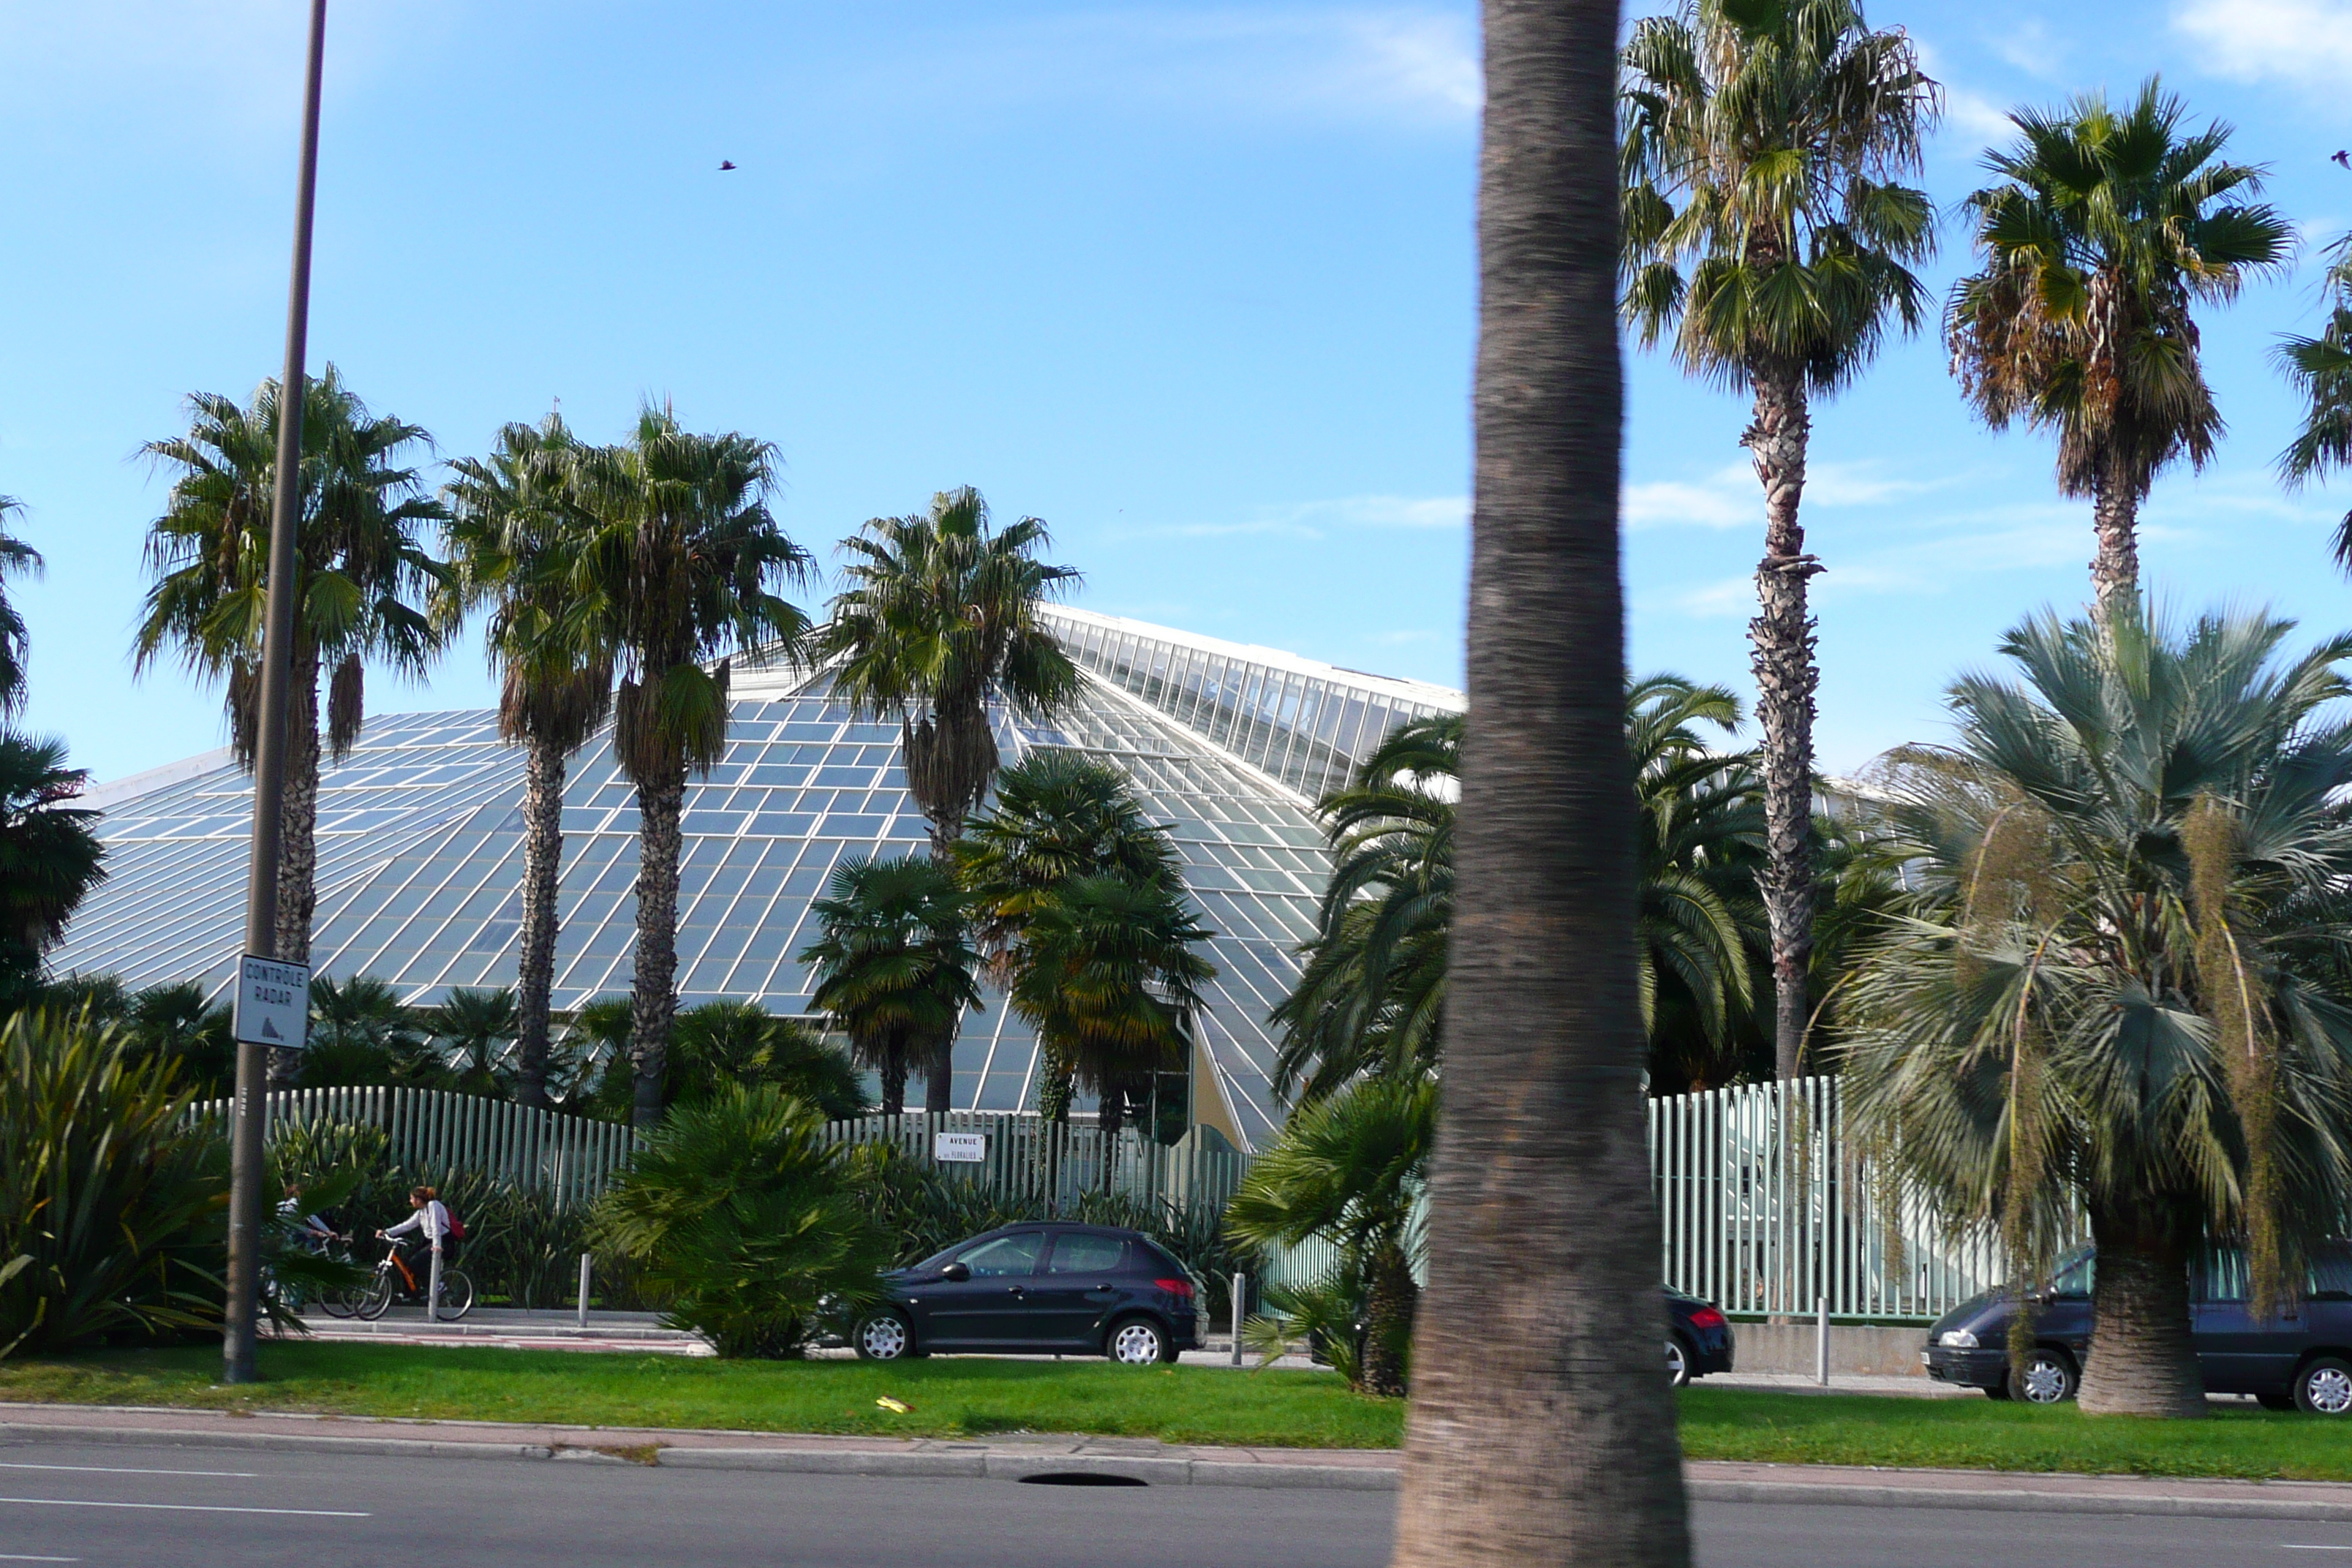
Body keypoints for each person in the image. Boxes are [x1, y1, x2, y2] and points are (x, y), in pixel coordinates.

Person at [377, 1185, 452, 1277]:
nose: (410, 1201)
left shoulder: (433, 1205)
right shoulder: (421, 1212)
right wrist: (387, 1232)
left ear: (419, 1199)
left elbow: (435, 1226)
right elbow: (407, 1225)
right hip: (429, 1241)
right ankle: (412, 1290)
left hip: (443, 1241)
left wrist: (437, 1246)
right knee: (406, 1260)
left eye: (412, 1198)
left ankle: (438, 1286)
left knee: (416, 1262)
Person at [279, 1182, 339, 1253]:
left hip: (293, 1238)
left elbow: (312, 1218)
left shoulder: (299, 1205)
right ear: (298, 1193)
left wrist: (328, 1232)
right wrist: (314, 1232)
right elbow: (294, 1225)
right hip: (286, 1240)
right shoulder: (289, 1207)